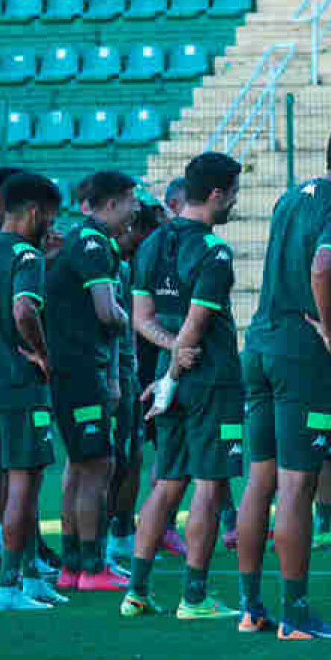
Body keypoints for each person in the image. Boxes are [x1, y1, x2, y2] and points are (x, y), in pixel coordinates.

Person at [237, 119, 331, 641]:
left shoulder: (290, 198)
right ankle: (296, 614)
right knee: (298, 484)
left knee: (260, 478)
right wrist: (327, 328)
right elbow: (324, 268)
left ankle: (251, 607)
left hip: (259, 343)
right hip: (300, 356)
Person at [123, 153, 246, 621]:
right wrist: (176, 368)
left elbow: (142, 319)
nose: (235, 202)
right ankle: (194, 598)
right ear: (216, 194)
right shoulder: (215, 251)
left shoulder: (152, 243)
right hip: (209, 381)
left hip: (165, 380)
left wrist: (167, 367)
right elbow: (196, 328)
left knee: (168, 482)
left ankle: (136, 592)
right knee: (210, 486)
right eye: (233, 193)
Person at [0, 172, 64, 612]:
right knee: (24, 482)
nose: (52, 225)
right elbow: (24, 309)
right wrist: (43, 352)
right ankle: (9, 587)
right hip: (21, 383)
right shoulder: (27, 256)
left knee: (3, 478)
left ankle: (29, 577)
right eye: (50, 217)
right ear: (35, 211)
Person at [47, 170, 138, 591]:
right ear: (112, 203)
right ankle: (92, 567)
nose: (135, 209)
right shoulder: (94, 244)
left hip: (73, 369)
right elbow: (107, 312)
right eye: (131, 201)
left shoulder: (81, 240)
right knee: (98, 466)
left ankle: (73, 566)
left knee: (80, 465)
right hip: (83, 369)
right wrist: (125, 317)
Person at [107, 200, 166, 566]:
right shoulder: (115, 264)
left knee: (132, 455)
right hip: (118, 375)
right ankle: (99, 542)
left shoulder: (135, 267)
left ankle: (122, 533)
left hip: (135, 372)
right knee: (110, 461)